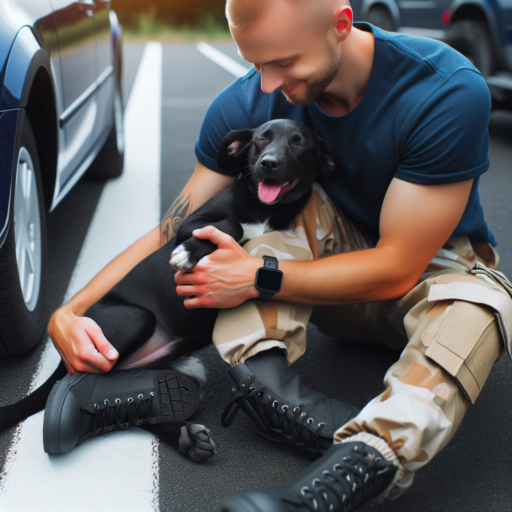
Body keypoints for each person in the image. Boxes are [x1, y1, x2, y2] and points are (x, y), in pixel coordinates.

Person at [49, 0, 512, 510]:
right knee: (256, 215)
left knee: (482, 305)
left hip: (426, 273)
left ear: (341, 24)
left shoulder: (443, 89)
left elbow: (398, 266)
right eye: (255, 64)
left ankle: (357, 464)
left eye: (285, 62)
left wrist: (260, 278)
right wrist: (69, 312)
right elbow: (172, 229)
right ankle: (274, 394)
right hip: (325, 288)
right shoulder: (246, 104)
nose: (268, 85)